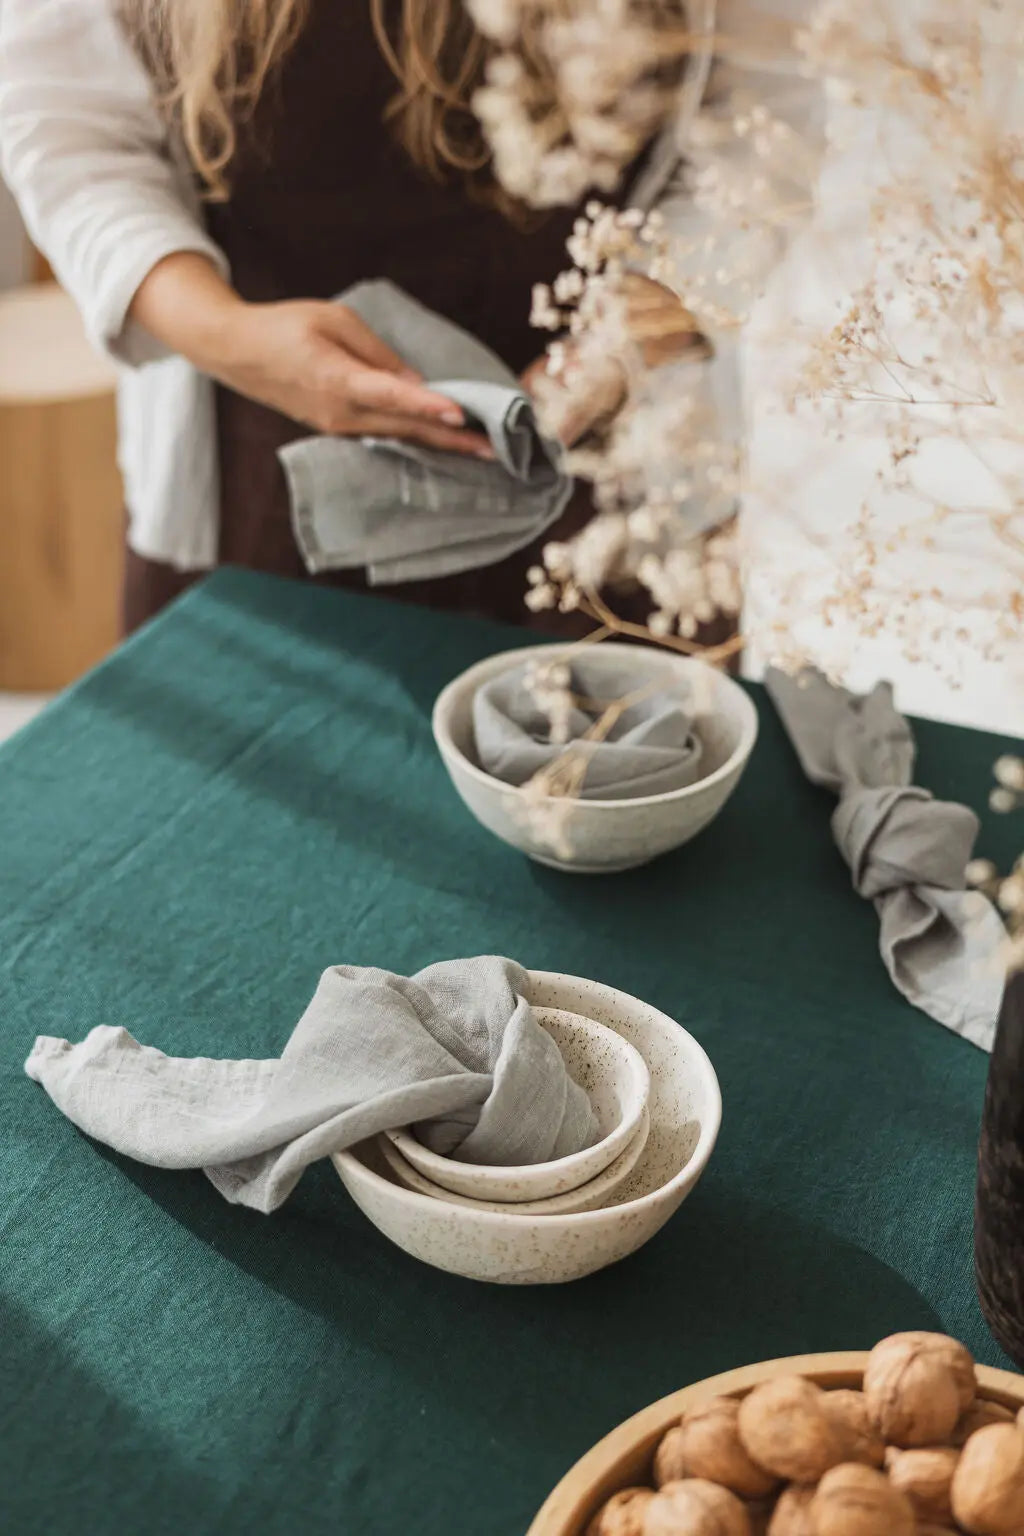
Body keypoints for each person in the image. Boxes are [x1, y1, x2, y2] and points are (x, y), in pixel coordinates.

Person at [0, 0, 699, 635]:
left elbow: (771, 110)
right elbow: (65, 120)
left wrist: (629, 334)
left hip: (616, 479)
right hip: (261, 477)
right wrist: (226, 334)